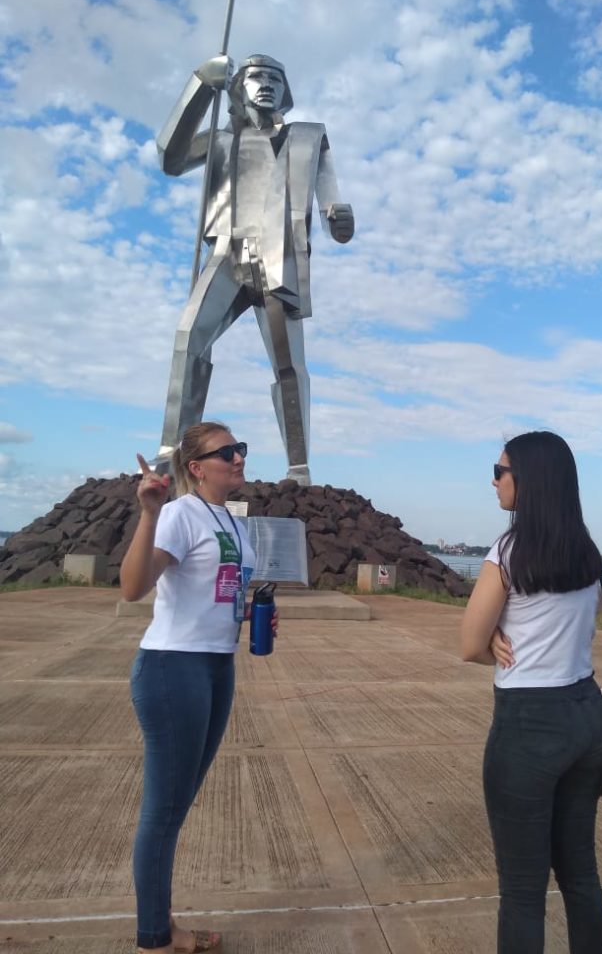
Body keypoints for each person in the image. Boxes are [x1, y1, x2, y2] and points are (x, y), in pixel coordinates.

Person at [154, 53, 354, 485]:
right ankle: (173, 452)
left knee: (287, 363)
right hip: (227, 252)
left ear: (286, 92)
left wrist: (338, 216)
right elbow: (170, 159)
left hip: (278, 257)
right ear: (235, 89)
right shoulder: (219, 141)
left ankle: (297, 466)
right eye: (255, 77)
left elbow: (331, 196)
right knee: (189, 339)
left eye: (275, 79)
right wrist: (198, 87)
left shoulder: (309, 136)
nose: (266, 85)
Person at [121, 421, 275, 954]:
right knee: (164, 808)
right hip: (173, 668)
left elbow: (220, 590)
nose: (238, 458)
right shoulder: (181, 514)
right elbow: (135, 586)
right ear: (195, 466)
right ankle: (154, 937)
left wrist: (252, 617)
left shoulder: (227, 518)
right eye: (226, 452)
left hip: (215, 664)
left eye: (241, 449)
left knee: (178, 804)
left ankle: (163, 926)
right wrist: (148, 513)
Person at [460, 431, 602, 954]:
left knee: (523, 891)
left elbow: (468, 644)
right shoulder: (587, 552)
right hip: (587, 714)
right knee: (581, 874)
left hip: (529, 723)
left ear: (529, 480)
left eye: (500, 471)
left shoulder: (508, 550)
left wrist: (494, 646)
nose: (494, 481)